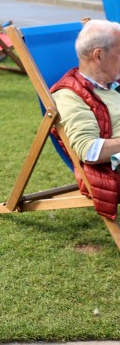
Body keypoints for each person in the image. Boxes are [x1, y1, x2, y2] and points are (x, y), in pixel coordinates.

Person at [51, 19, 120, 216]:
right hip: (112, 171)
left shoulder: (113, 82)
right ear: (99, 55)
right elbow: (89, 150)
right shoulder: (70, 95)